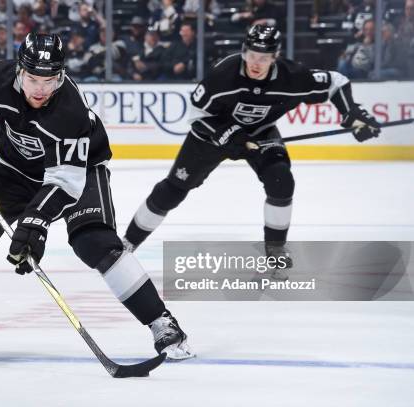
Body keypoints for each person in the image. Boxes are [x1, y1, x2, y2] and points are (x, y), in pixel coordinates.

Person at [0, 33, 193, 361]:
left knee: (95, 243)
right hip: (13, 171)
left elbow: (65, 182)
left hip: (81, 172)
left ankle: (162, 322)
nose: (40, 89)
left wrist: (36, 222)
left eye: (50, 80)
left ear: (61, 76)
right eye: (33, 78)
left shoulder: (71, 112)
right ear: (19, 70)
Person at [122, 25, 381, 280]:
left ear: (275, 57)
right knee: (172, 190)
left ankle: (274, 257)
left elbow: (336, 82)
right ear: (244, 52)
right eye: (253, 56)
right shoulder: (223, 75)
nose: (257, 63)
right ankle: (127, 245)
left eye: (264, 58)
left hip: (261, 134)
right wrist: (228, 134)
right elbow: (197, 116)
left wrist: (352, 115)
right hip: (210, 137)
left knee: (281, 181)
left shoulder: (292, 77)